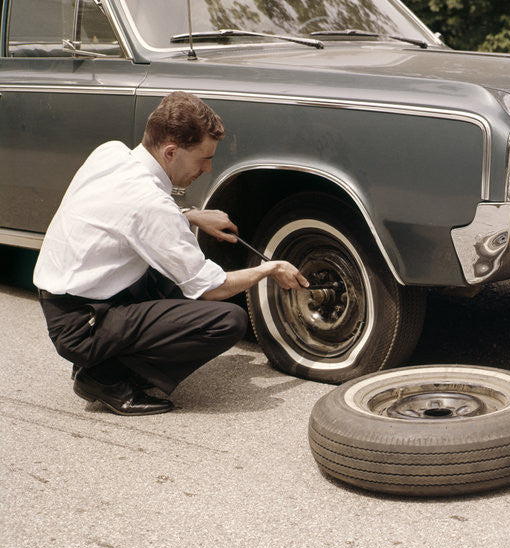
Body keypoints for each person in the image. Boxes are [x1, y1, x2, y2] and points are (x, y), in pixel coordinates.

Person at [33, 91, 307, 416]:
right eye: (203, 158)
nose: (207, 168)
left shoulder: (112, 153)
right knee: (227, 320)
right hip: (82, 324)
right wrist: (269, 269)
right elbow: (211, 289)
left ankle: (107, 358)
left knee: (173, 278)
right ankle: (105, 377)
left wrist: (189, 215)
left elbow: (127, 212)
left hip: (69, 299)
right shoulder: (150, 204)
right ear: (171, 151)